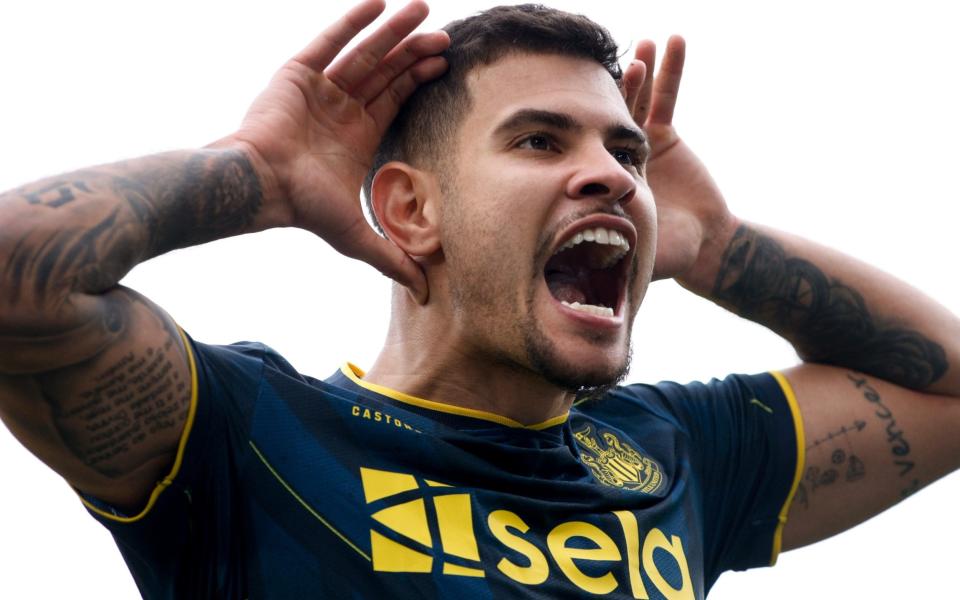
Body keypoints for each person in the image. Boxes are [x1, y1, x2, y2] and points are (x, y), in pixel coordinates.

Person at [1, 1, 958, 598]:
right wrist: (256, 174)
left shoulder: (684, 453)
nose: (614, 178)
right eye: (541, 141)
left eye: (625, 154)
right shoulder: (248, 435)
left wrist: (723, 249)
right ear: (412, 210)